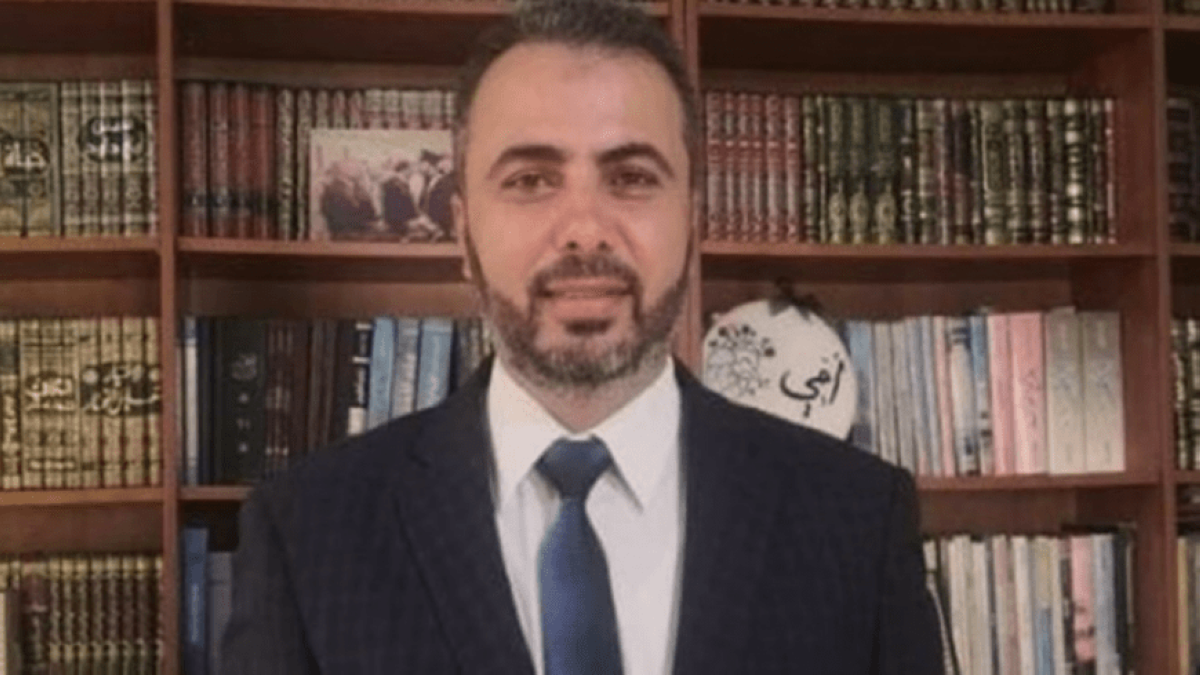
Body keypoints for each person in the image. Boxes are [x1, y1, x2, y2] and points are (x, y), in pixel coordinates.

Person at [221, 0, 944, 672]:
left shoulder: (857, 518)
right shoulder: (307, 530)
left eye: (631, 177)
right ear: (463, 232)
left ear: (692, 219)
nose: (585, 229)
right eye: (530, 180)